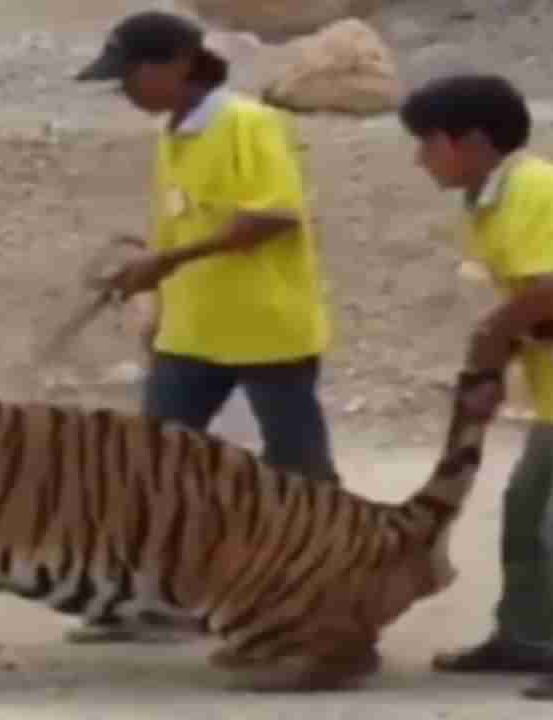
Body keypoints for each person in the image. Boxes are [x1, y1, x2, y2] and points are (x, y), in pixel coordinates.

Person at [66, 10, 341, 644]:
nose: (124, 91)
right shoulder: (174, 135)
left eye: (130, 75)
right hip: (192, 335)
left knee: (300, 473)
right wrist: (156, 294)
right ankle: (157, 600)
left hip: (269, 332)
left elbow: (274, 216)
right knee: (151, 468)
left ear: (178, 65)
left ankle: (329, 595)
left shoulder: (246, 123)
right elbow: (177, 227)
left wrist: (165, 262)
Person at [398, 73, 553, 701]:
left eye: (429, 144)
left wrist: (488, 341)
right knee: (524, 515)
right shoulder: (490, 201)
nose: (420, 159)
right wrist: (494, 368)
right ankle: (530, 636)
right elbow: (535, 305)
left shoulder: (540, 190)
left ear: (473, 141)